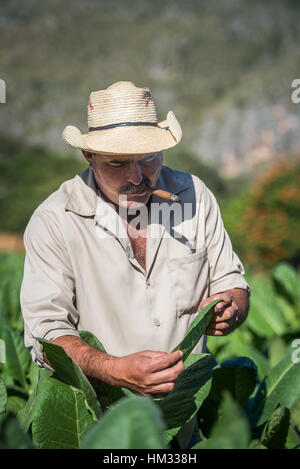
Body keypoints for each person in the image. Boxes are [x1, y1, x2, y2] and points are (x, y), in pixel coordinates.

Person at [20, 81, 250, 448]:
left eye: (148, 159)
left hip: (183, 423)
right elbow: (46, 334)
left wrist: (233, 305)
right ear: (88, 157)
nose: (137, 177)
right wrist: (114, 369)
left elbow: (230, 279)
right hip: (100, 424)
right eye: (117, 164)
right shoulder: (55, 220)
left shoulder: (194, 196)